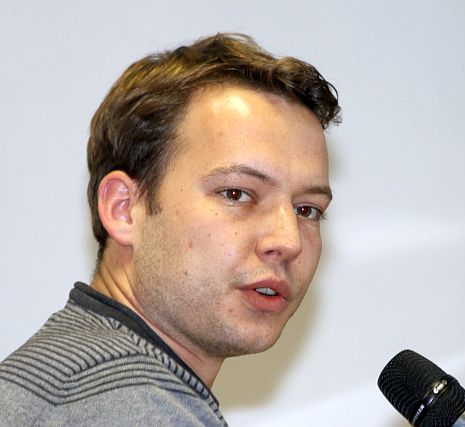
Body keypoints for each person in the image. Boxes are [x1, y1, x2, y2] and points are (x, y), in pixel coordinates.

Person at [0, 33, 340, 426]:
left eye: (307, 210)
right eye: (237, 194)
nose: (289, 240)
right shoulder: (133, 410)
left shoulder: (53, 382)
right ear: (124, 209)